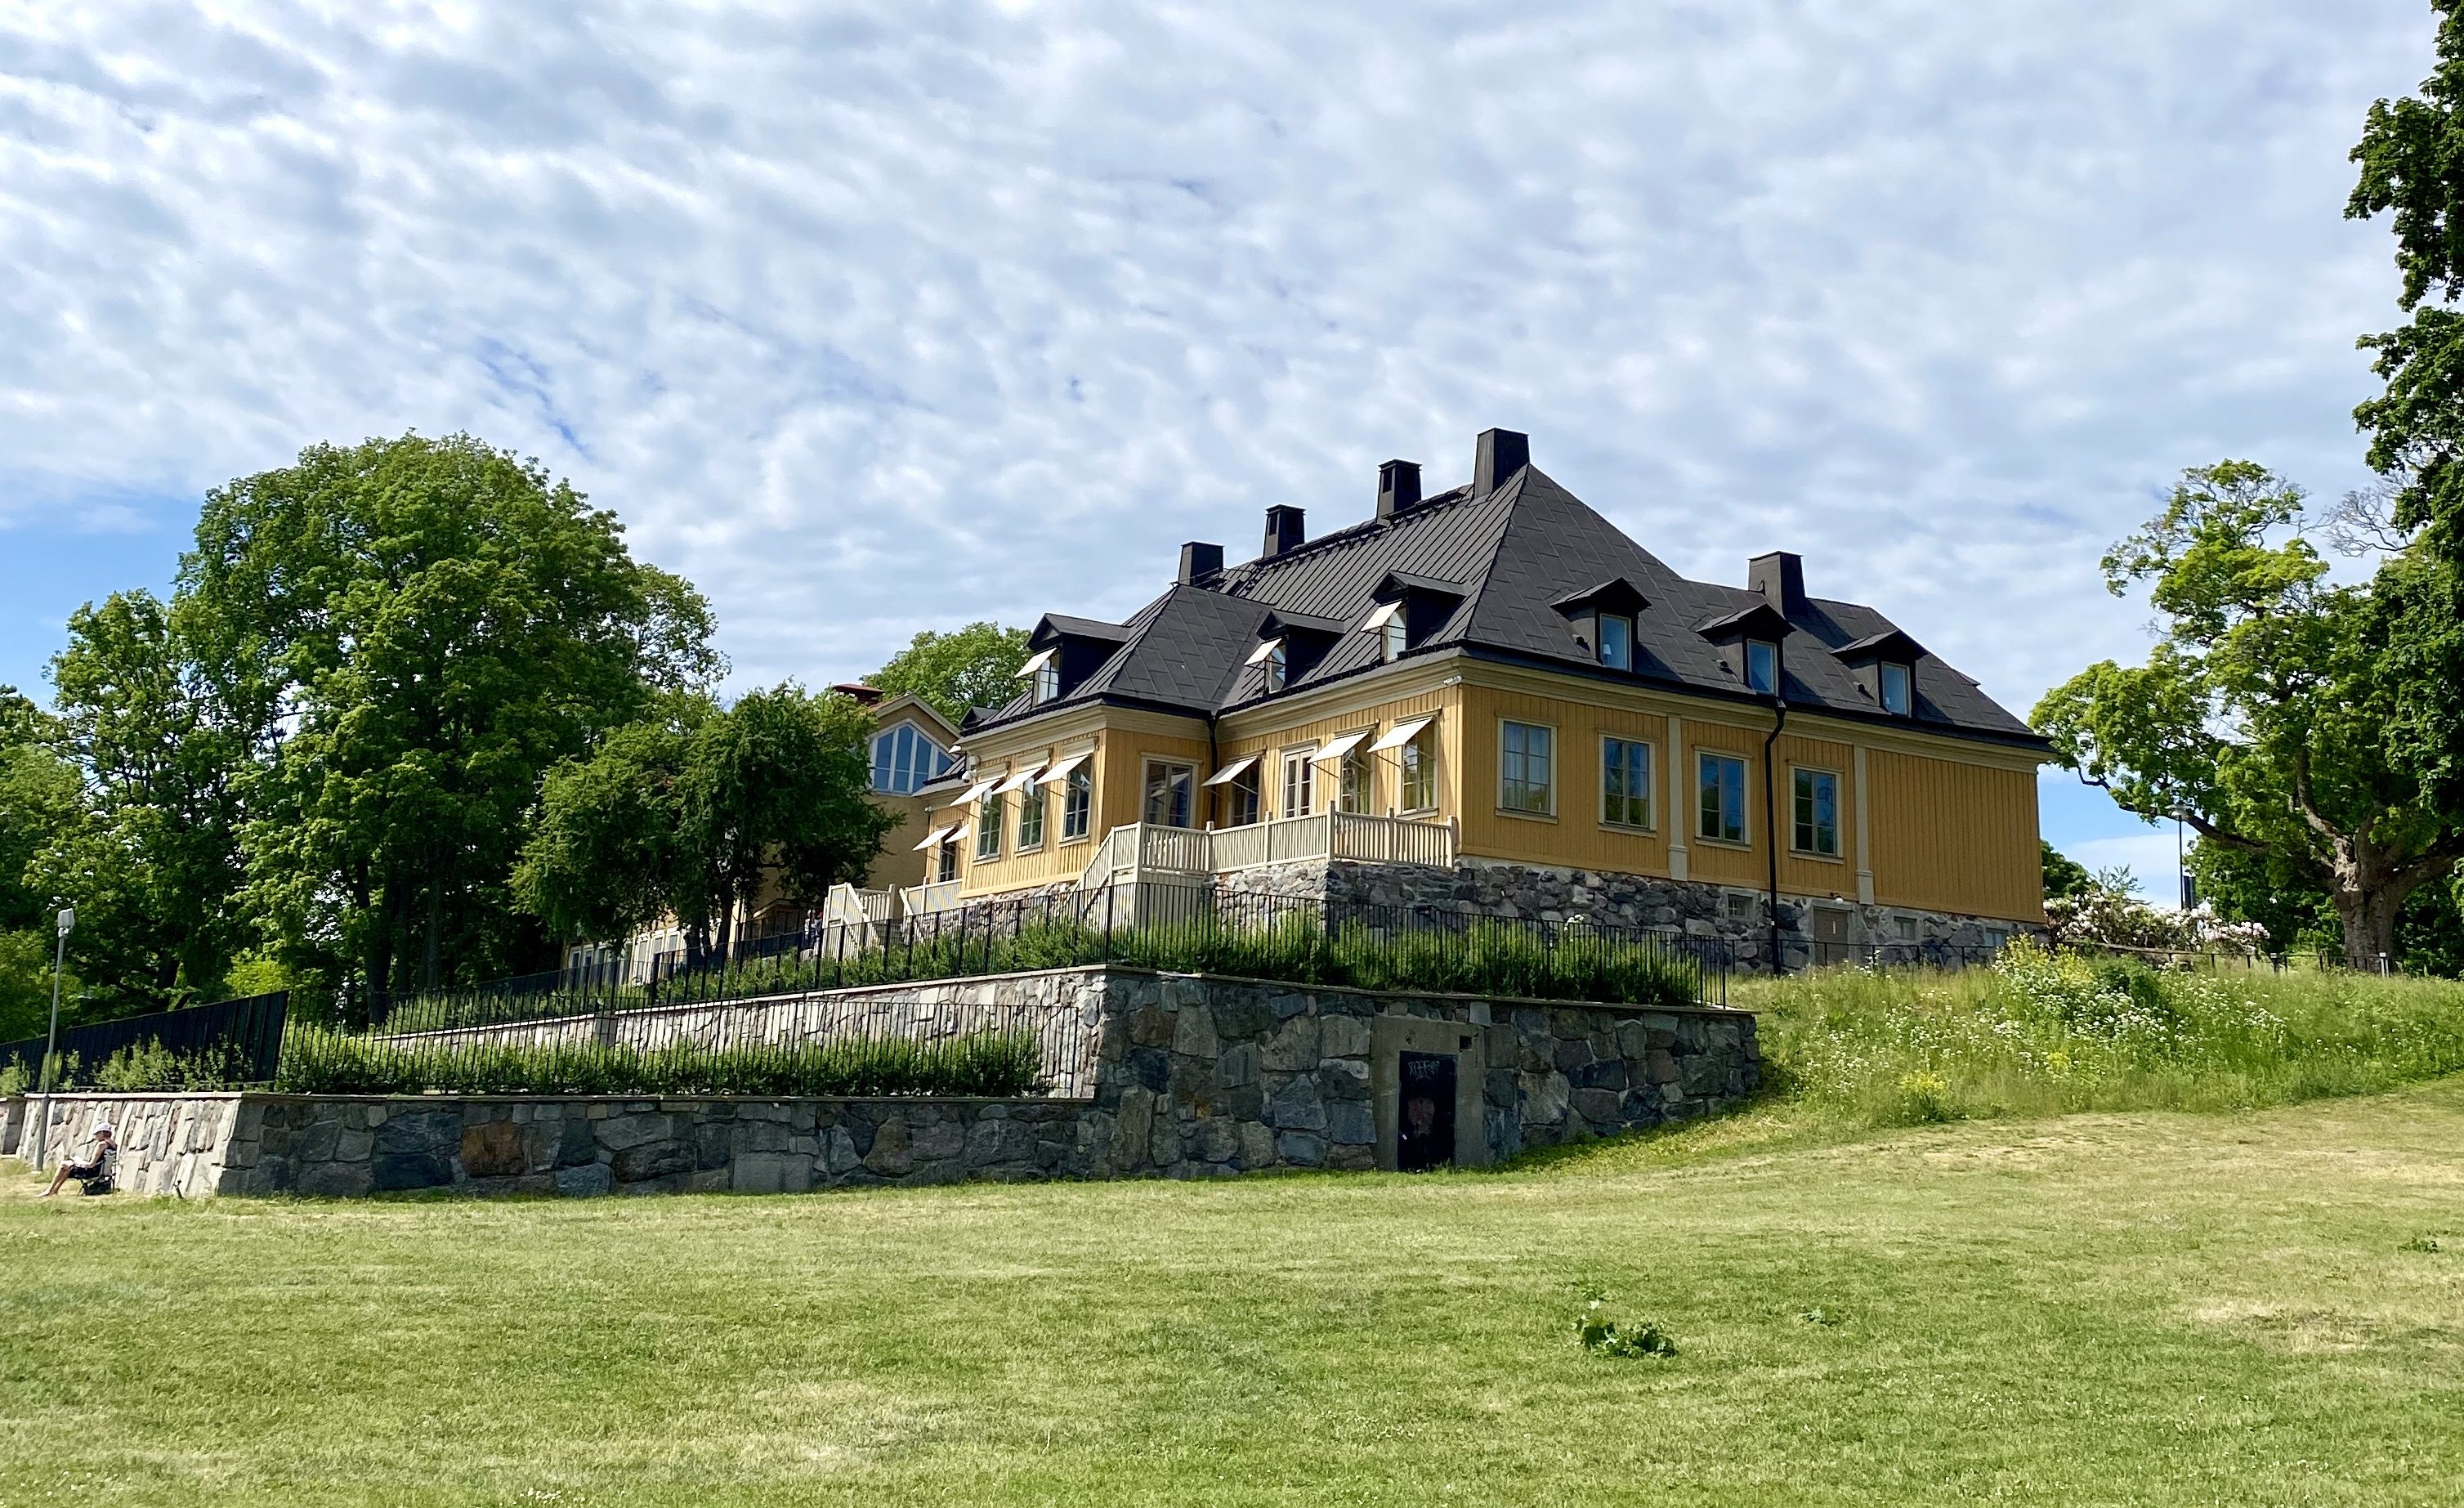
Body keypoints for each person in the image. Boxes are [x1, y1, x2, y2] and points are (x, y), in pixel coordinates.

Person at [41, 1122, 116, 1197]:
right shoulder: (112, 1146)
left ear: (102, 1133)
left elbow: (91, 1164)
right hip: (100, 1172)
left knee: (63, 1164)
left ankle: (49, 1191)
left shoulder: (101, 1145)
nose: (95, 1136)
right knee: (67, 1166)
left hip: (92, 1173)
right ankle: (54, 1190)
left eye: (97, 1133)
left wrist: (78, 1162)